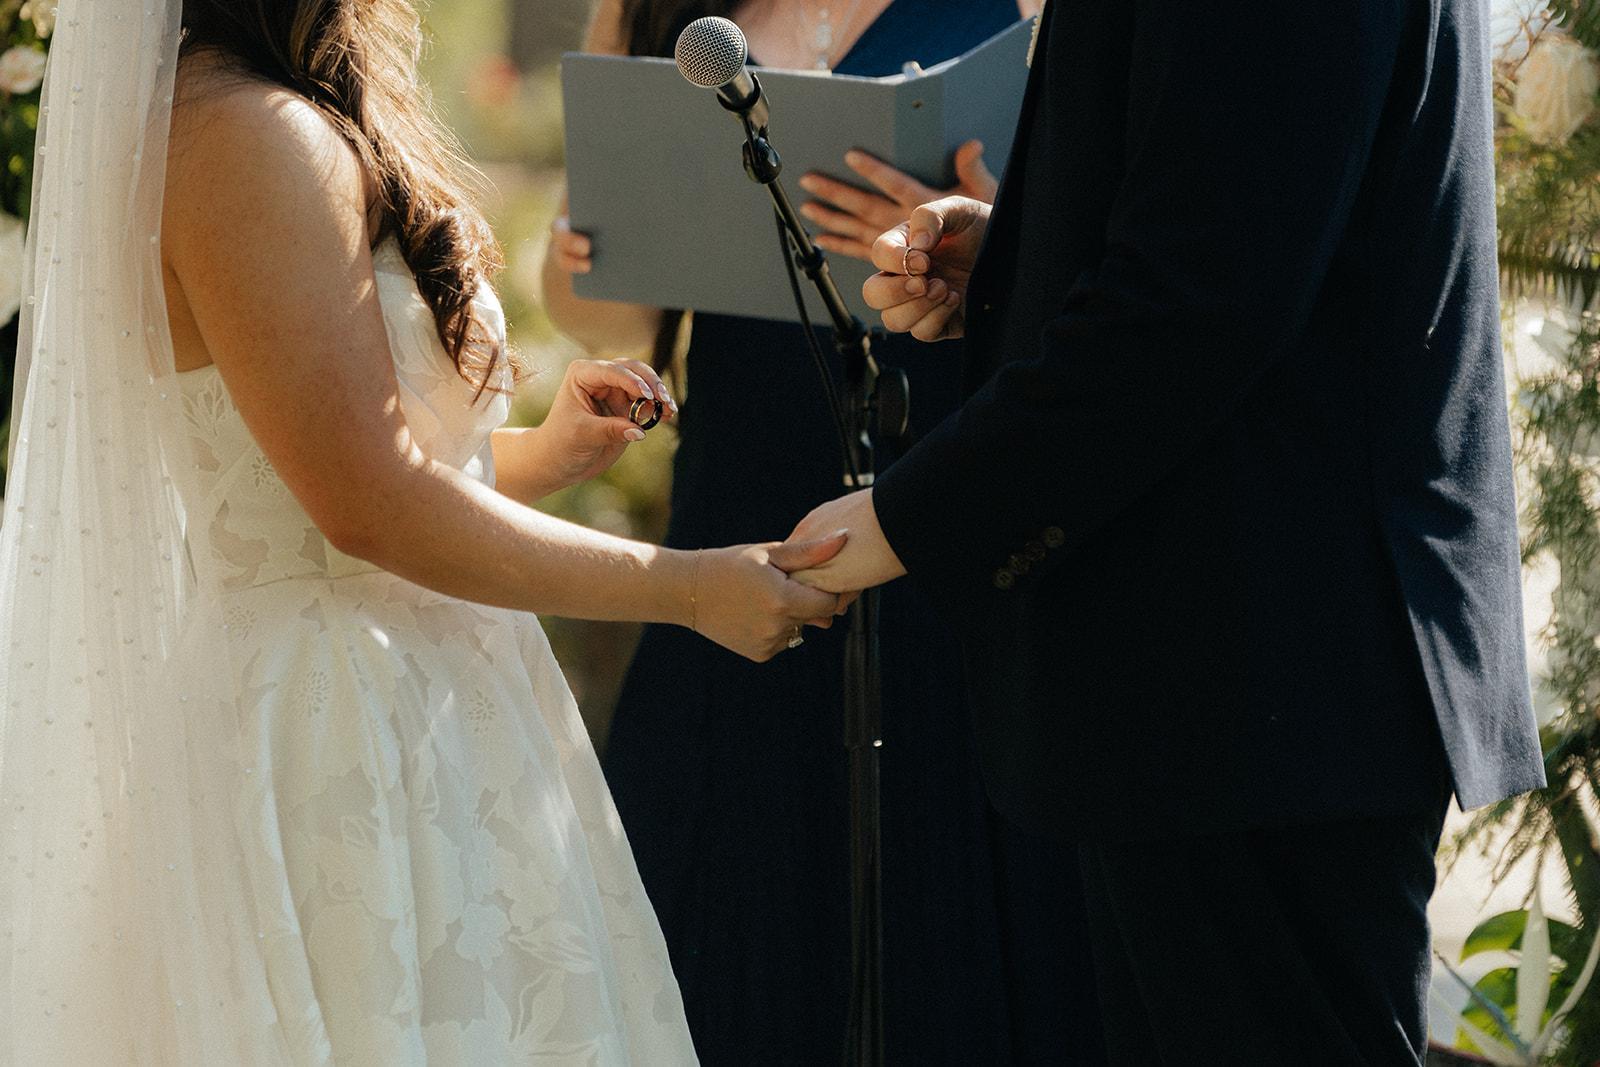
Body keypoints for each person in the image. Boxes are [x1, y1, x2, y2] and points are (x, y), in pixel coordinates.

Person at [0, 0, 851, 1060]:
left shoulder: (279, 111)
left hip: (429, 691)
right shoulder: (242, 132)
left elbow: (341, 459)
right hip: (337, 729)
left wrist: (539, 452)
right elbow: (365, 505)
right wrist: (686, 586)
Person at [786, 0, 1548, 1063]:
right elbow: (1242, 206)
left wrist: (906, 518)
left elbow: (1200, 295)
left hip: (1265, 664)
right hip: (1225, 668)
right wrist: (1019, 265)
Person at [543, 1, 1103, 1063]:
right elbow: (599, 311)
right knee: (721, 924)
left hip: (955, 514)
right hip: (738, 522)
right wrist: (595, 256)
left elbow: (1105, 275)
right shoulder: (657, 9)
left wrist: (991, 238)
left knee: (952, 927)